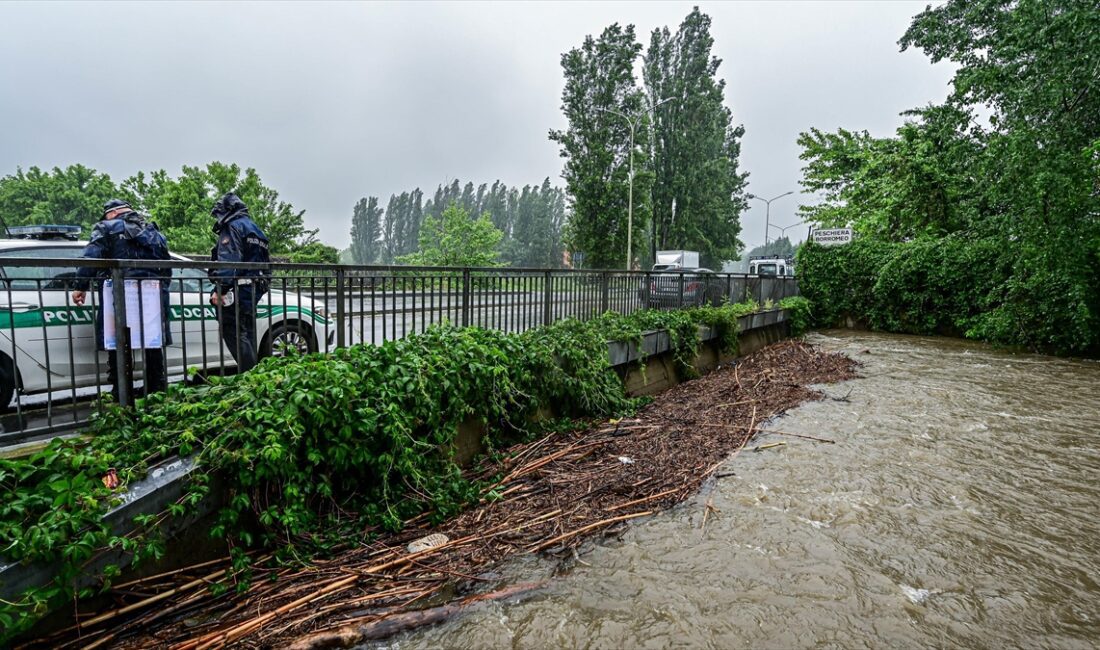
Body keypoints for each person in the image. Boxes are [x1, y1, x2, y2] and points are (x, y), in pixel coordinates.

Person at [72, 199, 172, 401]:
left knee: (118, 341)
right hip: (152, 294)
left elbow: (91, 258)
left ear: (111, 213)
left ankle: (121, 393)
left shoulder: (106, 227)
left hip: (118, 294)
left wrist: (80, 286)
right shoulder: (153, 231)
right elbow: (166, 267)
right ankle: (157, 391)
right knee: (151, 340)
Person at [209, 193, 270, 373]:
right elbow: (267, 265)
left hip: (237, 288)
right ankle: (255, 377)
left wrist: (220, 289)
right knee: (247, 333)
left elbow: (229, 262)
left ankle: (250, 377)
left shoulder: (233, 227)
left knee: (233, 331)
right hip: (254, 287)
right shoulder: (256, 229)